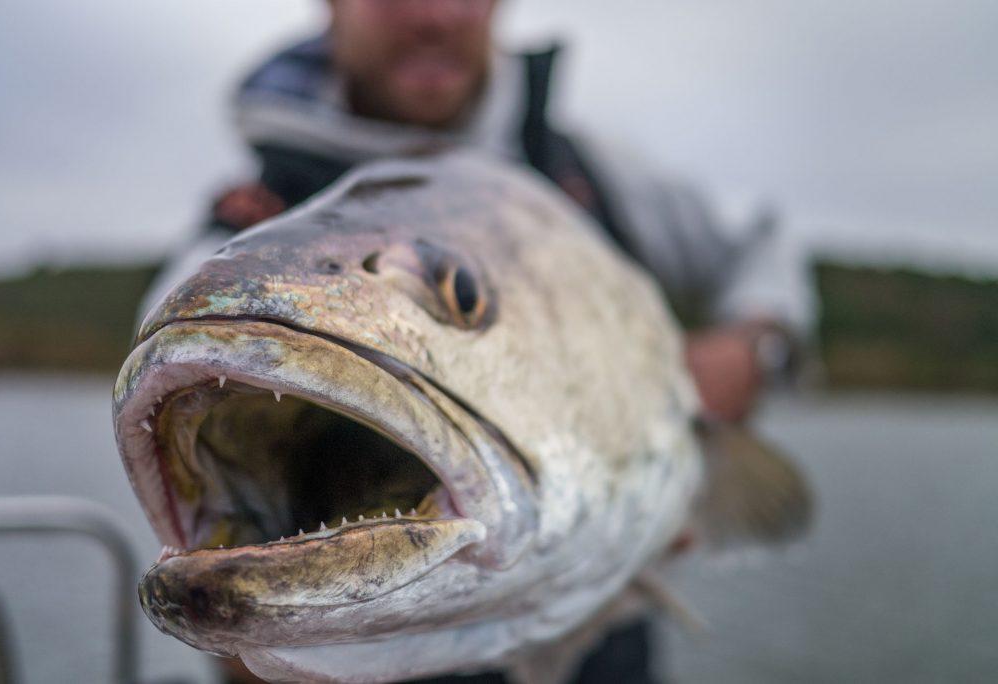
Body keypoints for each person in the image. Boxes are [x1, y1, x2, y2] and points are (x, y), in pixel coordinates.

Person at [146, 1, 814, 681]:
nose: (433, 15)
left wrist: (756, 349)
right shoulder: (228, 238)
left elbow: (762, 242)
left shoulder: (595, 169)